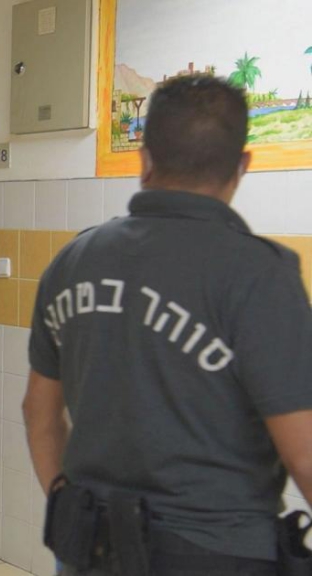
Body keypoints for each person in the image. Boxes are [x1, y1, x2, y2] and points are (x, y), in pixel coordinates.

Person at [23, 75, 312, 576]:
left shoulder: (75, 260)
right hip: (215, 553)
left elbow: (38, 414)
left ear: (145, 160)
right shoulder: (259, 274)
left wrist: (69, 506)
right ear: (242, 165)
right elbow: (304, 454)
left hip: (89, 549)